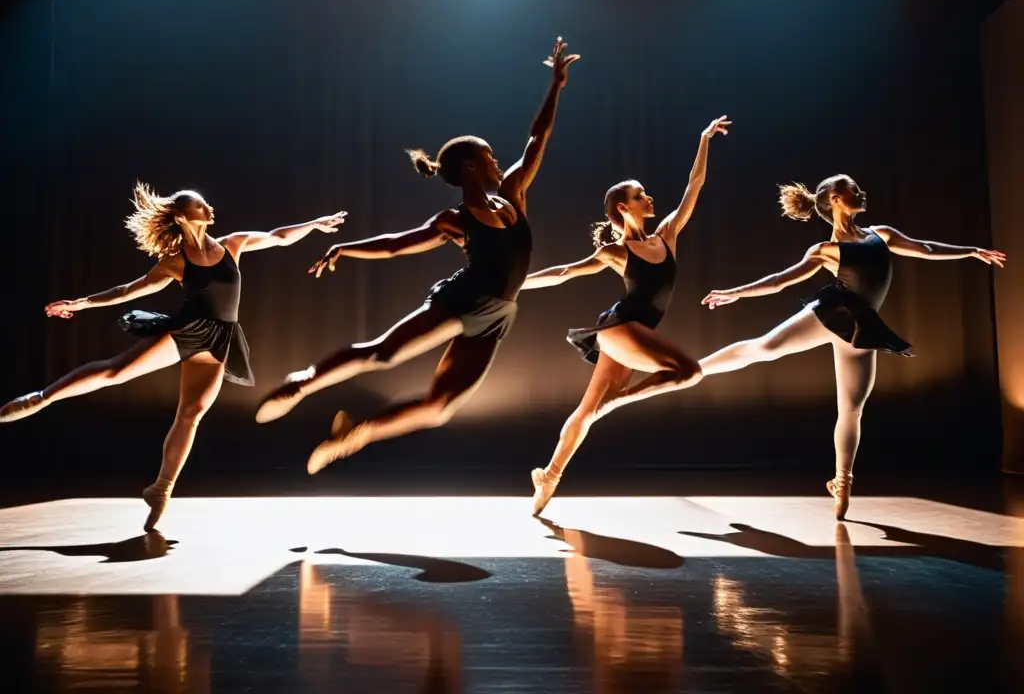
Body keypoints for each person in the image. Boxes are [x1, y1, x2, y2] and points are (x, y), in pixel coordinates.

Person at [254, 37, 580, 475]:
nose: (499, 162)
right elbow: (395, 244)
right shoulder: (455, 219)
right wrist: (346, 247)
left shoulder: (513, 196)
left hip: (499, 314)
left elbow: (537, 137)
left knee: (440, 406)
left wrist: (556, 86)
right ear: (469, 168)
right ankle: (303, 383)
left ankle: (357, 434)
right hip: (463, 299)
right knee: (384, 353)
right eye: (489, 157)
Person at [0, 181, 346, 530]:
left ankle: (161, 488)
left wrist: (314, 224)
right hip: (188, 330)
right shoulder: (175, 263)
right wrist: (83, 302)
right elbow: (128, 290)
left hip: (219, 339)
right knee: (115, 372)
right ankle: (41, 399)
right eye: (200, 205)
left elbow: (277, 236)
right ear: (183, 217)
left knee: (191, 414)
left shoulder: (232, 244)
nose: (209, 208)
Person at [699, 174, 1006, 519]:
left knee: (853, 408)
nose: (860, 192)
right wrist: (736, 292)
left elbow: (927, 249)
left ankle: (842, 481)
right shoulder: (825, 250)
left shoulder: (882, 235)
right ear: (833, 199)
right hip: (831, 313)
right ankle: (698, 369)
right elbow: (779, 281)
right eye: (851, 189)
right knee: (765, 348)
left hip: (861, 326)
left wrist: (971, 252)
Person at [521, 116, 731, 515]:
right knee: (689, 371)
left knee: (586, 412)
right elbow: (565, 272)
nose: (649, 198)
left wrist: (703, 139)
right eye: (641, 195)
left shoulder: (666, 235)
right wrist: (515, 285)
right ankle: (614, 405)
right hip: (618, 328)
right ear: (624, 207)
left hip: (634, 332)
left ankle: (548, 476)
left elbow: (694, 185)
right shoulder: (616, 253)